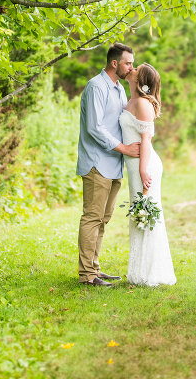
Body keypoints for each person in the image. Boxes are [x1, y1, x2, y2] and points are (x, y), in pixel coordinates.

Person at [76, 43, 140, 287]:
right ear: (115, 63)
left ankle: (95, 269)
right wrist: (124, 148)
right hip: (97, 163)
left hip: (114, 165)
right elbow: (94, 128)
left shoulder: (119, 89)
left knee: (103, 219)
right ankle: (86, 275)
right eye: (128, 63)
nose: (131, 67)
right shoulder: (96, 86)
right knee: (92, 218)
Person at [120, 63, 176, 286]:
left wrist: (143, 170)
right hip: (134, 165)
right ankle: (139, 272)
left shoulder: (143, 104)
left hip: (145, 164)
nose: (131, 70)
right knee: (139, 213)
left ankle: (153, 274)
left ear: (140, 80)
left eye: (135, 70)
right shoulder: (131, 101)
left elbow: (146, 139)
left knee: (146, 214)